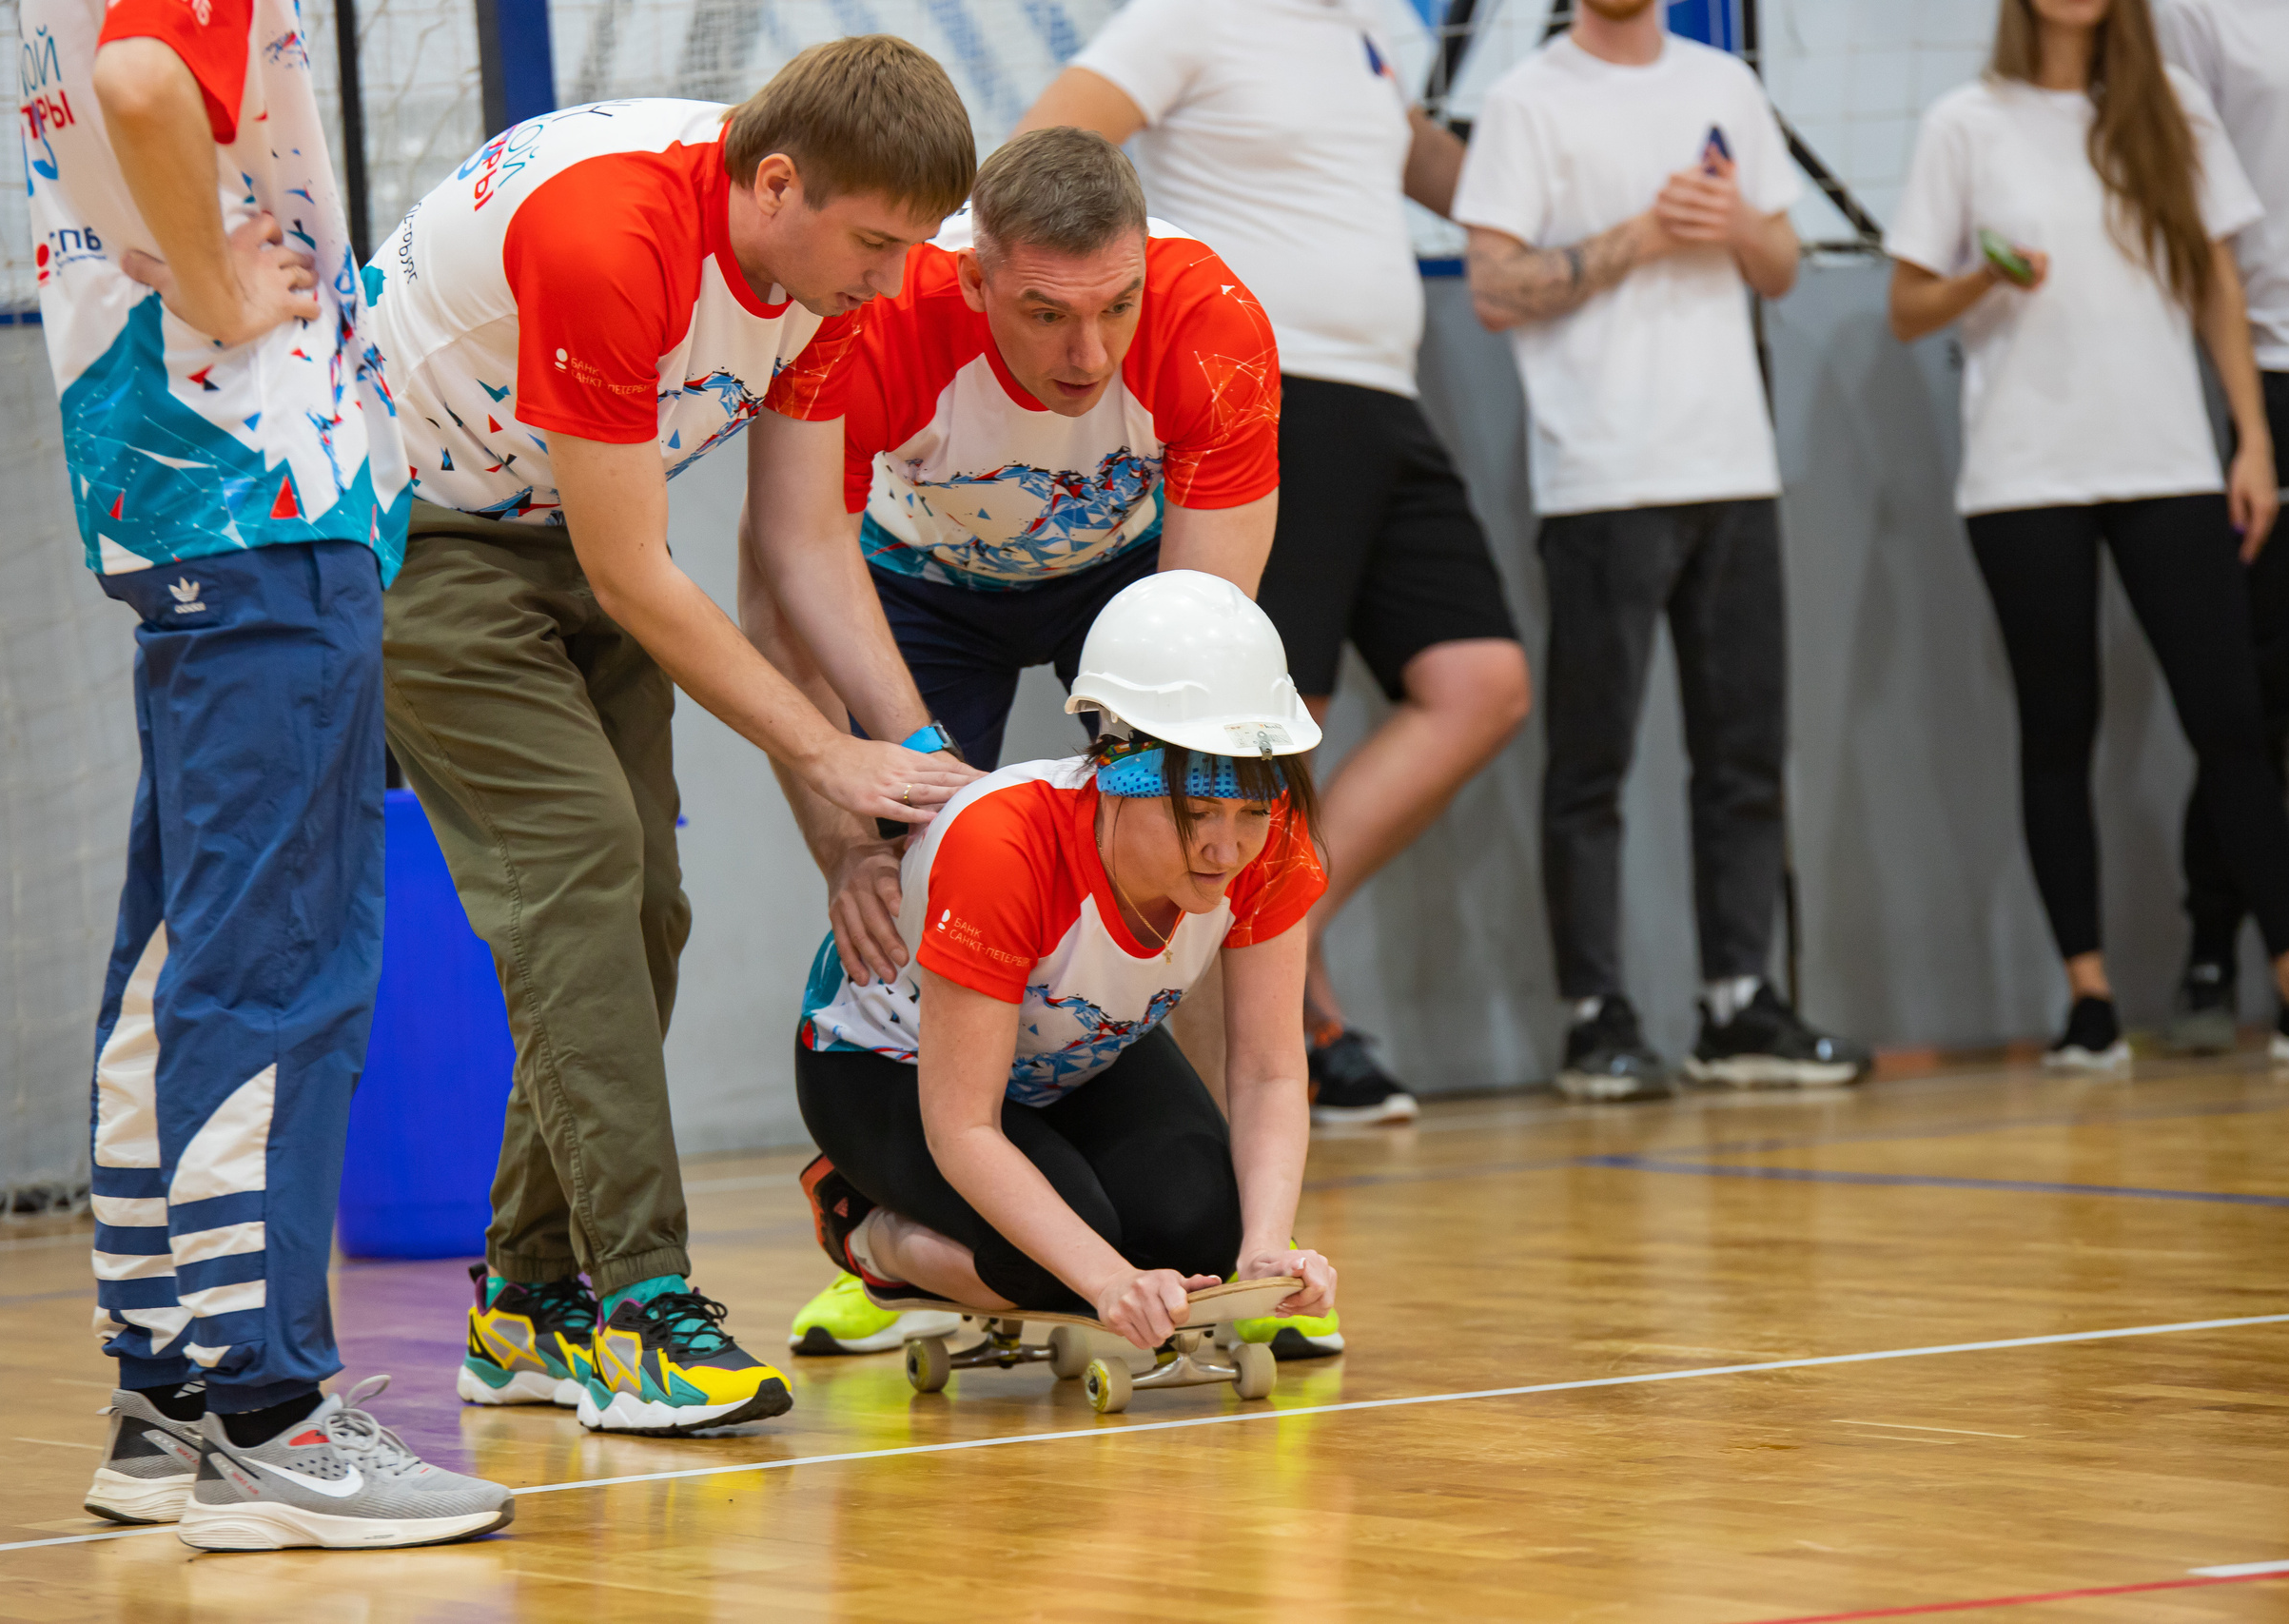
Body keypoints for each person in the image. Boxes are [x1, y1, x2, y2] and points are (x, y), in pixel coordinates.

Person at [366, 38, 985, 1437]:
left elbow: (802, 541)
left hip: (570, 533)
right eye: (878, 244)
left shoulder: (827, 264)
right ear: (774, 183)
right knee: (581, 862)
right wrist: (824, 759)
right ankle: (643, 1303)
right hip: (422, 534)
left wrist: (931, 774)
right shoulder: (610, 236)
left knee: (643, 896)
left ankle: (525, 1296)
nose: (890, 283)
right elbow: (642, 573)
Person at [26, 0, 511, 1548]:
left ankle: (170, 1395)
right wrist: (233, 290)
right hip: (257, 492)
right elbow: (143, 76)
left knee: (184, 961)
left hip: (180, 496)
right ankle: (269, 1415)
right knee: (277, 966)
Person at [743, 128, 1338, 1360]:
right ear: (970, 279)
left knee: (1185, 819)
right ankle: (880, 1201)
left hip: (1121, 576)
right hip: (909, 584)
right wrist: (851, 832)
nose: (1090, 352)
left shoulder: (1211, 322)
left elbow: (1204, 661)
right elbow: (783, 577)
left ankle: (1184, 1215)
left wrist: (1256, 1256)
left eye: (1116, 307)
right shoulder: (886, 316)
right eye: (1046, 313)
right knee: (919, 856)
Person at [1016, 0, 1534, 1124]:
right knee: (1268, 719)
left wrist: (1579, 178)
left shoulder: (1372, 27)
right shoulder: (1188, 18)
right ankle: (1282, 1006)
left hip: (1386, 395)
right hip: (1268, 392)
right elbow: (1048, 149)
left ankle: (1275, 934)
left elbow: (1432, 164)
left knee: (1483, 683)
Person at [1888, 0, 2289, 1070]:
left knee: (2230, 716)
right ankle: (2087, 997)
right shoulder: (1963, 122)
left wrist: (2250, 439)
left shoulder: (2168, 106)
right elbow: (1905, 305)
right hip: (2024, 472)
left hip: (2168, 458)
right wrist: (1985, 275)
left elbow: (2219, 280)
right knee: (2057, 727)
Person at [1453, 0, 1869, 1100]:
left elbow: (1779, 264)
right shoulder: (1525, 98)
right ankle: (1596, 1014)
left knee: (1744, 756)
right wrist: (1641, 232)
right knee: (1593, 762)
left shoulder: (1720, 82)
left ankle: (1737, 1003)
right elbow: (1492, 287)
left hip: (1731, 466)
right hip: (1601, 476)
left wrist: (1728, 221)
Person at [792, 572, 1340, 1353]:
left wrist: (1265, 1252)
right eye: (1195, 815)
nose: (1227, 848)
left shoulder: (1272, 840)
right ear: (1116, 769)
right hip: (890, 1065)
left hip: (1071, 1052)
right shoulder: (1002, 845)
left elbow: (1268, 1071)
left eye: (1251, 811)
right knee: (1052, 1260)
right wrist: (1107, 1281)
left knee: (1203, 1236)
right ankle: (862, 1237)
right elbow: (963, 1126)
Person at [2156, 0, 2289, 1055]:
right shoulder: (2193, 14)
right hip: (2274, 368)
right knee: (2263, 682)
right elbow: (2182, 205)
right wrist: (2233, 417)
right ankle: (2218, 940)